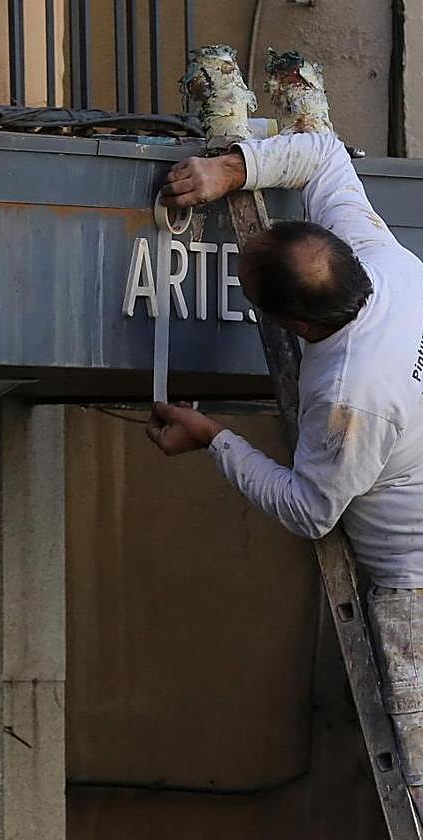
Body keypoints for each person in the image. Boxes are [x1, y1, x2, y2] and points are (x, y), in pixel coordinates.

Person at [147, 131, 423, 810]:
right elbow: (326, 153)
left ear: (293, 325)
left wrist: (214, 439)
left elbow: (310, 511)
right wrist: (230, 170)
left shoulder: (351, 397)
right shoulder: (382, 258)